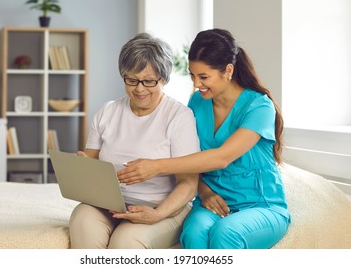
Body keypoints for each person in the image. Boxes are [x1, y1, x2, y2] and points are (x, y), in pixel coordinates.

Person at [117, 28, 291, 249]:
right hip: (211, 202)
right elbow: (190, 157)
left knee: (225, 233)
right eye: (192, 75)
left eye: (203, 77)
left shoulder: (259, 107)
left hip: (260, 206)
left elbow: (221, 158)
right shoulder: (198, 102)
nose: (196, 84)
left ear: (228, 70)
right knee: (193, 235)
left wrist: (157, 166)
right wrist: (205, 191)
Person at [69, 33, 200, 249]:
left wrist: (158, 214)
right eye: (131, 80)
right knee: (83, 221)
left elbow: (188, 184)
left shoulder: (179, 117)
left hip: (162, 207)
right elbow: (91, 162)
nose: (139, 89)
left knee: (125, 242)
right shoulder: (107, 112)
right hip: (107, 204)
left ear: (164, 79)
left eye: (149, 81)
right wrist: (83, 167)